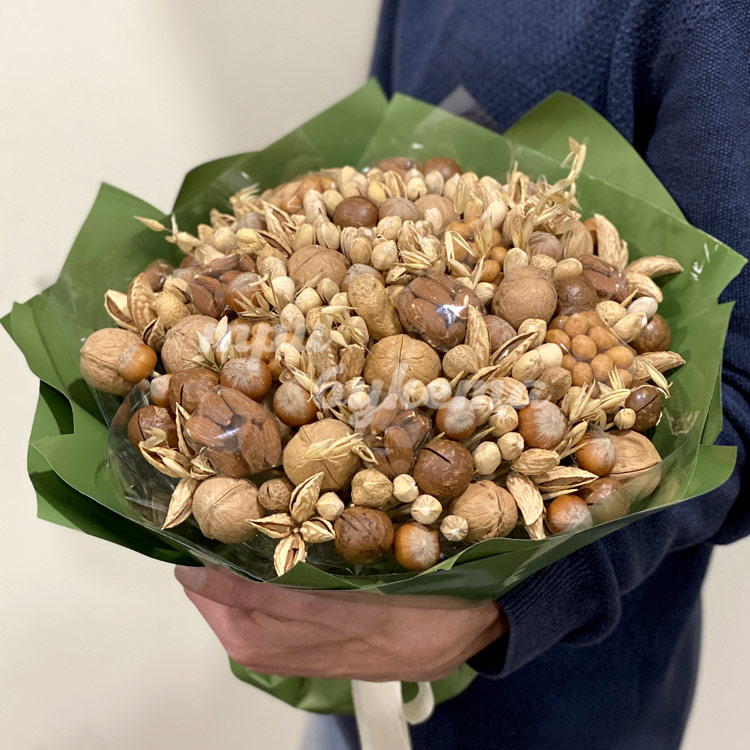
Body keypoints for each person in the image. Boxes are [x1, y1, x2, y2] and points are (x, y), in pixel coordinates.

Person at [174, 1, 750, 747]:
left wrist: (509, 605)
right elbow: (387, 156)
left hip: (570, 705)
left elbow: (736, 393)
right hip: (348, 676)